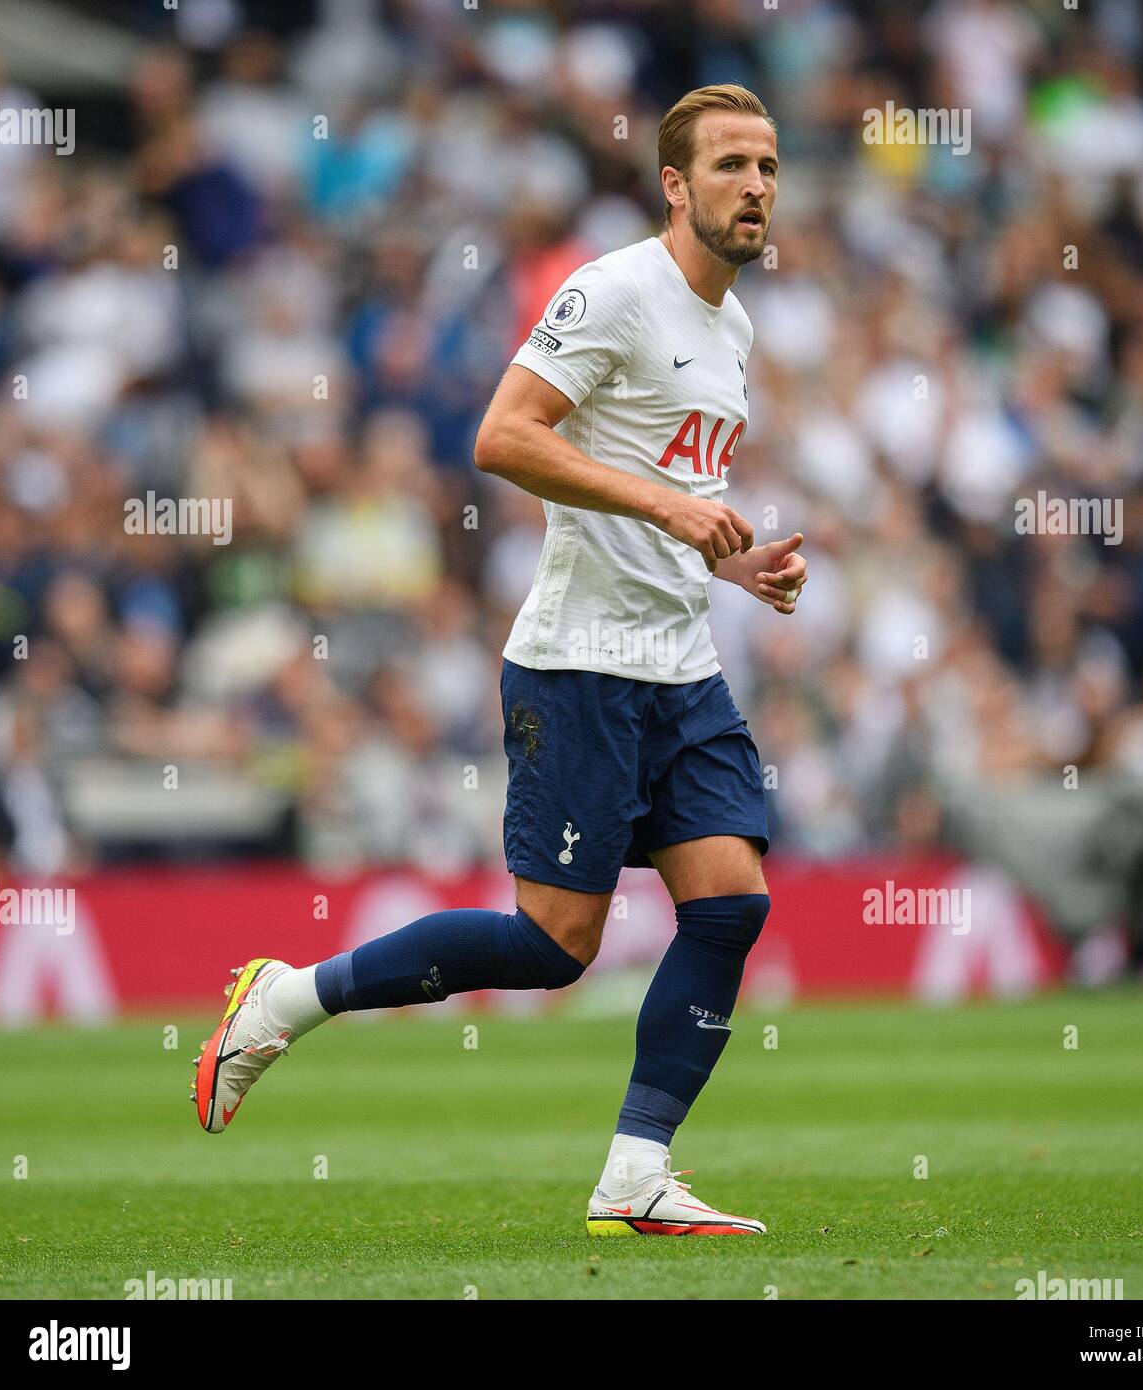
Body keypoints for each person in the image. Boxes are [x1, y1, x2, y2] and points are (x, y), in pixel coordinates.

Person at [192, 83, 808, 1237]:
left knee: (729, 903)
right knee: (551, 944)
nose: (755, 187)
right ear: (673, 186)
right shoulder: (615, 289)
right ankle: (288, 996)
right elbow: (501, 436)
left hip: (677, 660)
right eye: (729, 166)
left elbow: (666, 499)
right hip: (578, 664)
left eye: (767, 166)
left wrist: (730, 562)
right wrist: (674, 510)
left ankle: (635, 1169)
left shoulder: (733, 328)